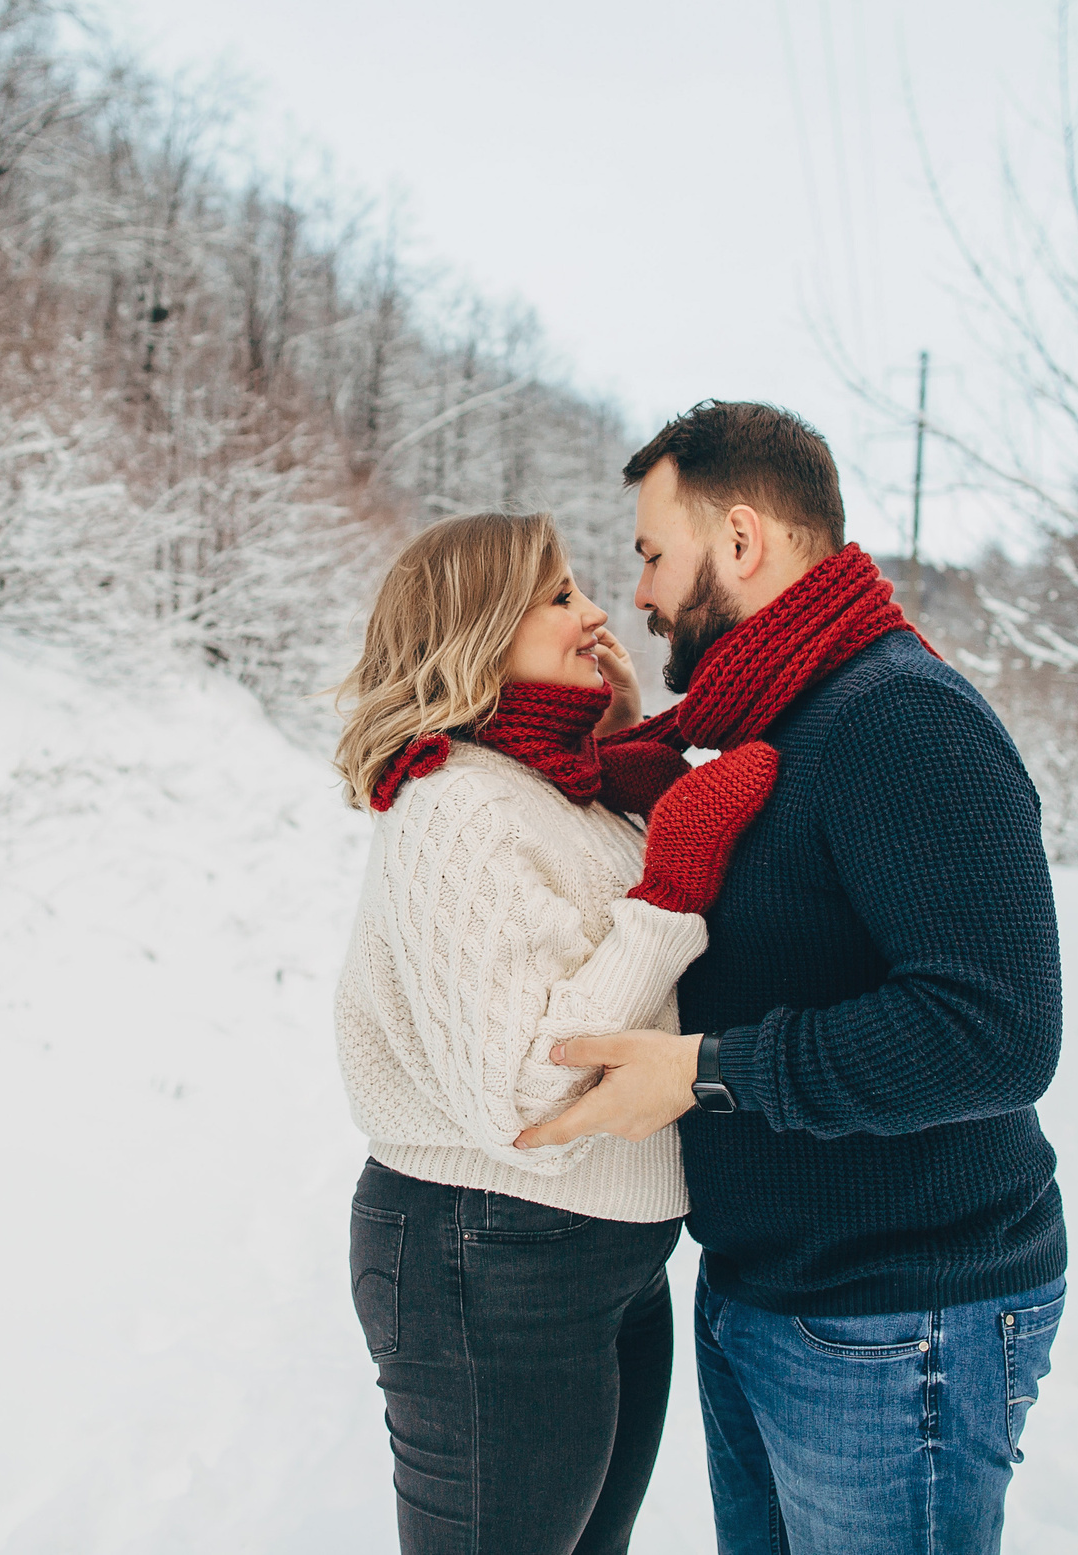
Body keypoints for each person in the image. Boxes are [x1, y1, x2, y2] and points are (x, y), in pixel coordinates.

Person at [516, 401, 1068, 1555]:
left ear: (742, 539)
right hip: (778, 1294)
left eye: (655, 556)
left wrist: (705, 1072)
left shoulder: (897, 717)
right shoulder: (789, 717)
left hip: (898, 1315)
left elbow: (998, 1033)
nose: (645, 596)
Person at [330, 510, 779, 1555]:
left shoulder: (547, 788)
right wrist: (670, 882)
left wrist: (619, 754)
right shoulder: (455, 805)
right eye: (564, 596)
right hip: (488, 1256)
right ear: (483, 626)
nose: (598, 616)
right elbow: (523, 1089)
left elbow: (604, 962)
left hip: (593, 1253)